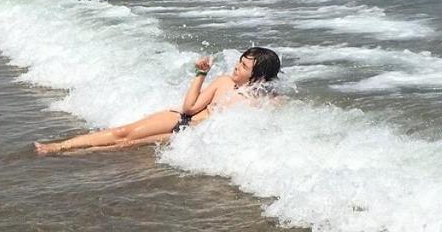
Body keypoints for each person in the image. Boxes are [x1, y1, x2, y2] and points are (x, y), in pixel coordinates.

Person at [34, 47, 281, 155]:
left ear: (257, 75)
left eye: (244, 66)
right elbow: (189, 108)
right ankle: (60, 146)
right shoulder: (224, 82)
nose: (236, 67)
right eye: (239, 61)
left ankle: (65, 155)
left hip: (190, 136)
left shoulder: (263, 101)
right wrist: (201, 74)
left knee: (125, 146)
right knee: (122, 132)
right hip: (182, 118)